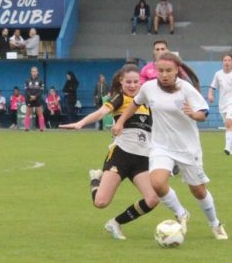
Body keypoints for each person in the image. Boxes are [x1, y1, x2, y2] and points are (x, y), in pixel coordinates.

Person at [112, 52, 228, 240]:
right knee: (157, 183)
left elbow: (203, 113)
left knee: (198, 190)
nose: (164, 74)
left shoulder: (186, 89)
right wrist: (120, 122)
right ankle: (181, 213)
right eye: (160, 70)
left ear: (176, 71)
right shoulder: (149, 87)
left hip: (187, 148)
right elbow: (134, 104)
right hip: (160, 146)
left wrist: (193, 114)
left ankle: (215, 224)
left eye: (168, 71)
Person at [60, 64, 158, 240]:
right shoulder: (120, 98)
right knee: (101, 202)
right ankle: (95, 179)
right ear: (121, 82)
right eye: (128, 82)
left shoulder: (148, 103)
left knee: (152, 199)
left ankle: (115, 223)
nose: (133, 85)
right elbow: (100, 113)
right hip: (121, 155)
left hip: (142, 159)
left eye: (136, 81)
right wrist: (80, 123)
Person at [24, 66, 45, 131]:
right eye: (33, 71)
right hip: (29, 99)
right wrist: (31, 96)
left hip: (38, 99)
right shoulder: (27, 80)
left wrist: (35, 96)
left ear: (37, 72)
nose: (34, 73)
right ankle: (27, 128)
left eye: (35, 71)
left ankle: (42, 128)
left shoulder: (40, 80)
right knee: (28, 113)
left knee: (40, 113)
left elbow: (41, 90)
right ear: (31, 72)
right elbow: (26, 90)